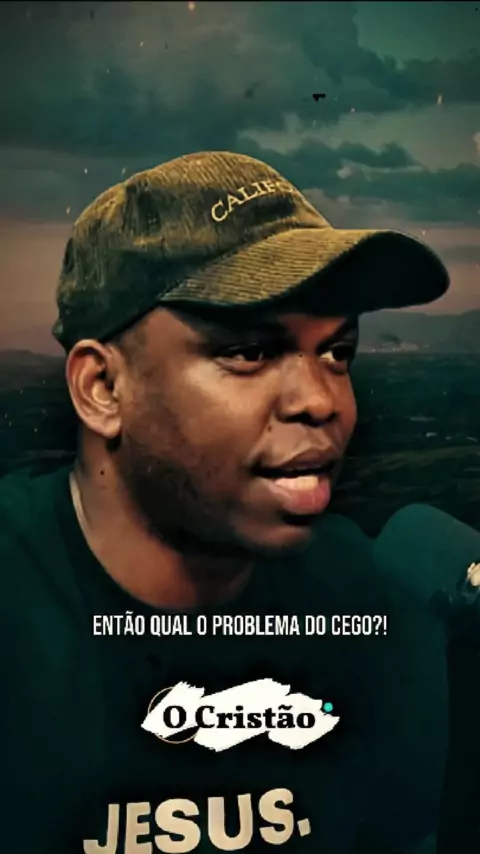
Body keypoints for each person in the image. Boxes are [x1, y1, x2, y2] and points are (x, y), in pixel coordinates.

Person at [0, 151, 450, 854]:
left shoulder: (378, 612)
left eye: (338, 352)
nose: (321, 400)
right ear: (102, 389)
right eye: (247, 351)